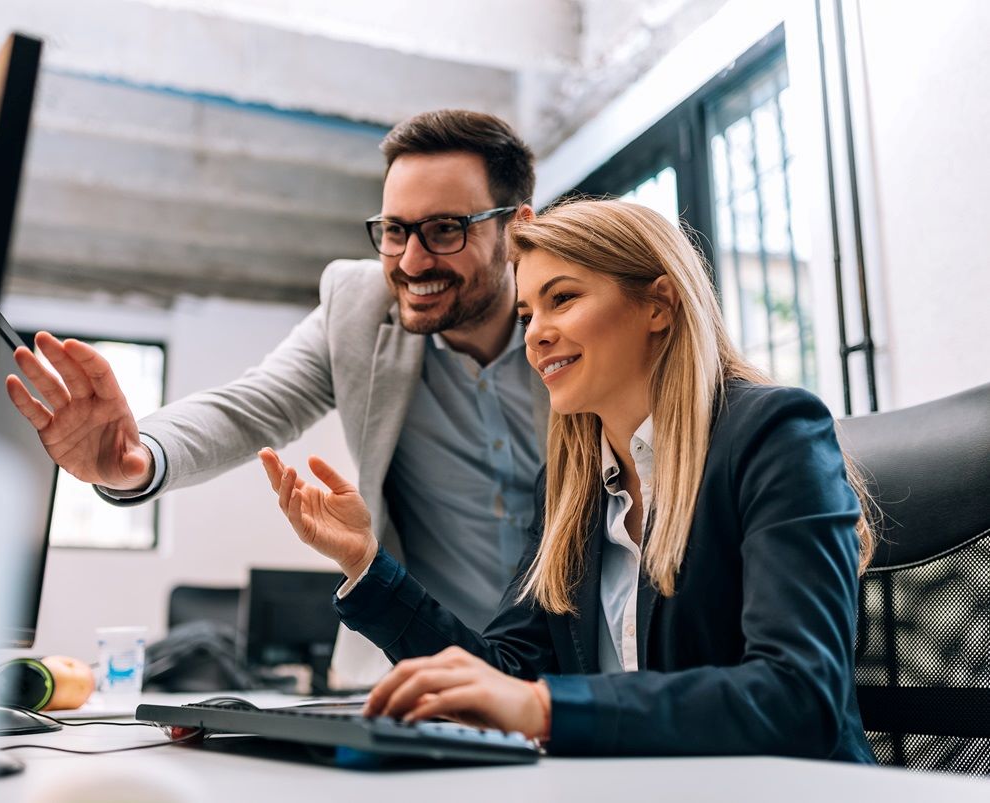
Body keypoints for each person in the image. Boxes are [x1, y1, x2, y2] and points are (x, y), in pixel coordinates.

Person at [257, 198, 877, 760]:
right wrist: (366, 563)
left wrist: (545, 710)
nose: (535, 334)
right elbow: (504, 675)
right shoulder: (568, 485)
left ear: (658, 304)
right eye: (528, 312)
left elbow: (799, 696)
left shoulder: (775, 435)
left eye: (563, 299)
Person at [4, 110, 549, 681]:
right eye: (394, 230)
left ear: (516, 228)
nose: (411, 261)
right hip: (421, 667)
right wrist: (138, 456)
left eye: (444, 230)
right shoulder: (359, 308)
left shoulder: (576, 321)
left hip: (574, 667)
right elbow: (252, 406)